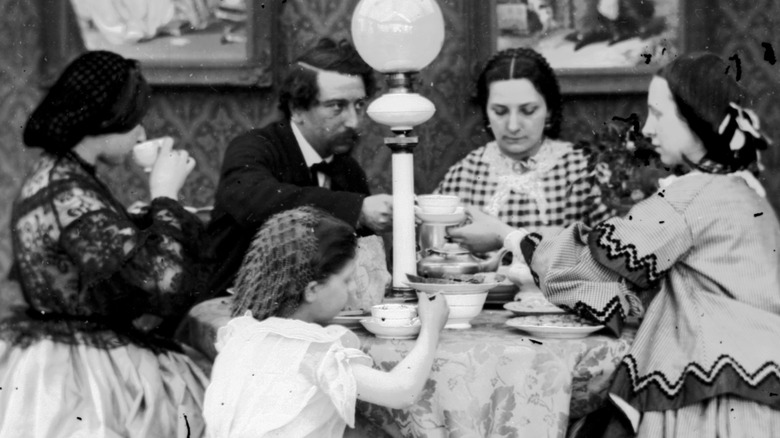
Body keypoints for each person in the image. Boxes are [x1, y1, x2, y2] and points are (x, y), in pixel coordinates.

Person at [470, 52, 780, 437]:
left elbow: (593, 263)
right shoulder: (743, 187)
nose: (647, 129)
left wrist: (507, 234)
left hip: (717, 391)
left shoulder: (693, 195)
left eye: (659, 114)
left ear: (696, 118)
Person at [0, 51, 210, 437]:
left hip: (58, 352)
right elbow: (165, 282)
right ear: (105, 119)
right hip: (80, 374)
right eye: (134, 120)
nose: (142, 134)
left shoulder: (59, 174)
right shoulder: (66, 191)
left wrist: (128, 222)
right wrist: (166, 195)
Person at [203, 206, 448, 437]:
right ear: (311, 290)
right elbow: (402, 391)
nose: (353, 291)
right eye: (346, 280)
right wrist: (431, 326)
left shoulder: (242, 334)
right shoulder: (311, 351)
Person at [207, 37, 393, 296]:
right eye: (337, 106)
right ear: (296, 108)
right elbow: (255, 201)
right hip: (233, 311)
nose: (354, 122)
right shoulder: (254, 147)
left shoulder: (348, 170)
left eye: (359, 105)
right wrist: (357, 209)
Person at [437, 47, 614, 254]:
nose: (513, 125)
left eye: (528, 110)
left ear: (549, 110)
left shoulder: (583, 170)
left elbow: (613, 251)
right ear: (486, 110)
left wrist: (503, 237)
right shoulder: (464, 175)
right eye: (500, 111)